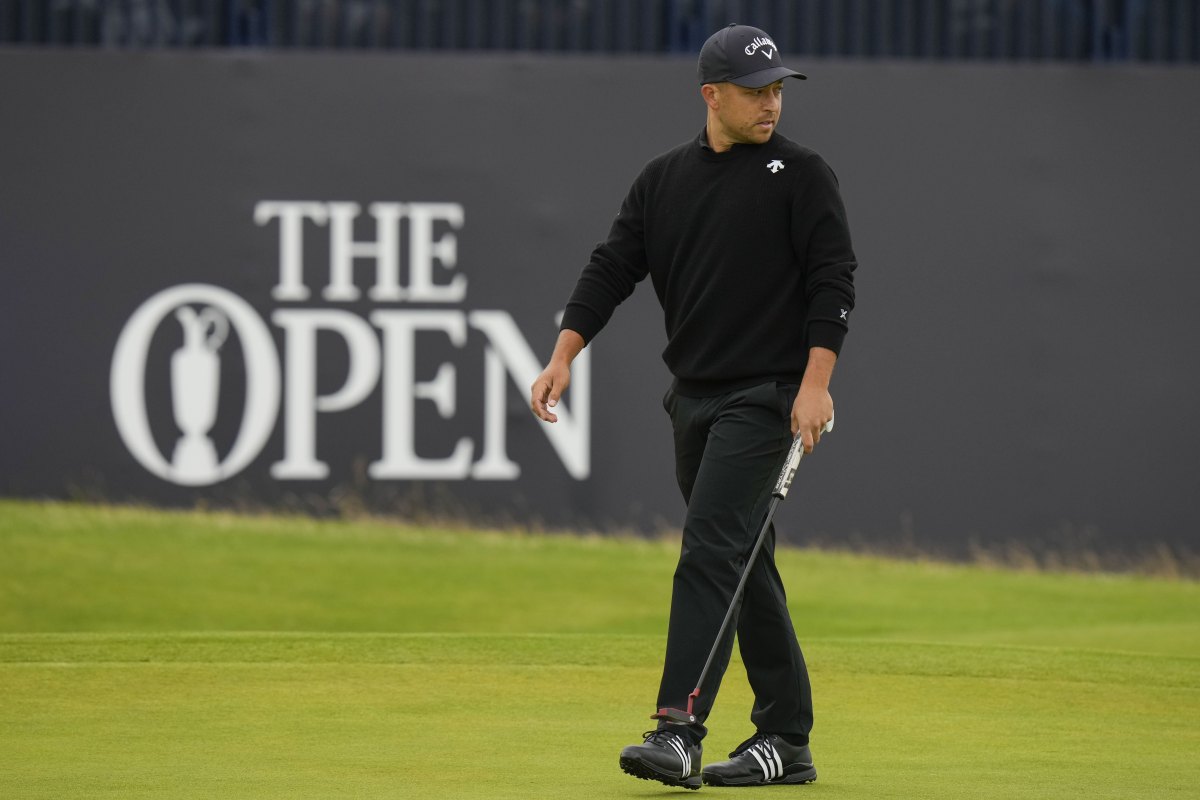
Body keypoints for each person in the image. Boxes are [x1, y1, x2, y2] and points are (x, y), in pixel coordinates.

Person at [529, 23, 857, 790]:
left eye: (777, 89)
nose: (770, 103)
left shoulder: (802, 174)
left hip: (767, 399)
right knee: (745, 562)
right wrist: (563, 354)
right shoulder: (664, 179)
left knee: (710, 552)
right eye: (754, 91)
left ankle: (678, 728)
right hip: (693, 401)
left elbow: (833, 282)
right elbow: (613, 266)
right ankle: (786, 737)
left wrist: (815, 384)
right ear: (711, 94)